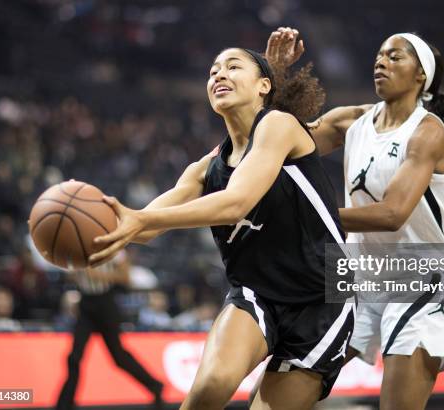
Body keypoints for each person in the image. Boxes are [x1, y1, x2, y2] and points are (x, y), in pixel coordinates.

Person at [89, 47, 355, 410]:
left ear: (265, 85)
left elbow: (236, 202)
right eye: (212, 71)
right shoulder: (205, 168)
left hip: (322, 299)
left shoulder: (279, 125)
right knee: (209, 387)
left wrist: (144, 220)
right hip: (257, 292)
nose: (218, 75)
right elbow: (146, 225)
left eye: (232, 67)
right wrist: (98, 231)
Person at [264, 28, 444, 410]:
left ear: (420, 74)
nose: (380, 61)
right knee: (283, 392)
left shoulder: (427, 131)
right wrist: (272, 76)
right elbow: (274, 143)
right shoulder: (350, 121)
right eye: (378, 55)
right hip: (357, 280)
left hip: (420, 281)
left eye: (394, 56)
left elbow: (391, 214)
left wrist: (308, 217)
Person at [56, 250, 164, 410]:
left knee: (118, 356)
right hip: (86, 303)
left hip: (105, 303)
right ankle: (65, 403)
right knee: (74, 356)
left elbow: (126, 277)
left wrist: (100, 276)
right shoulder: (76, 244)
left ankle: (155, 385)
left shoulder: (111, 246)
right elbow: (69, 275)